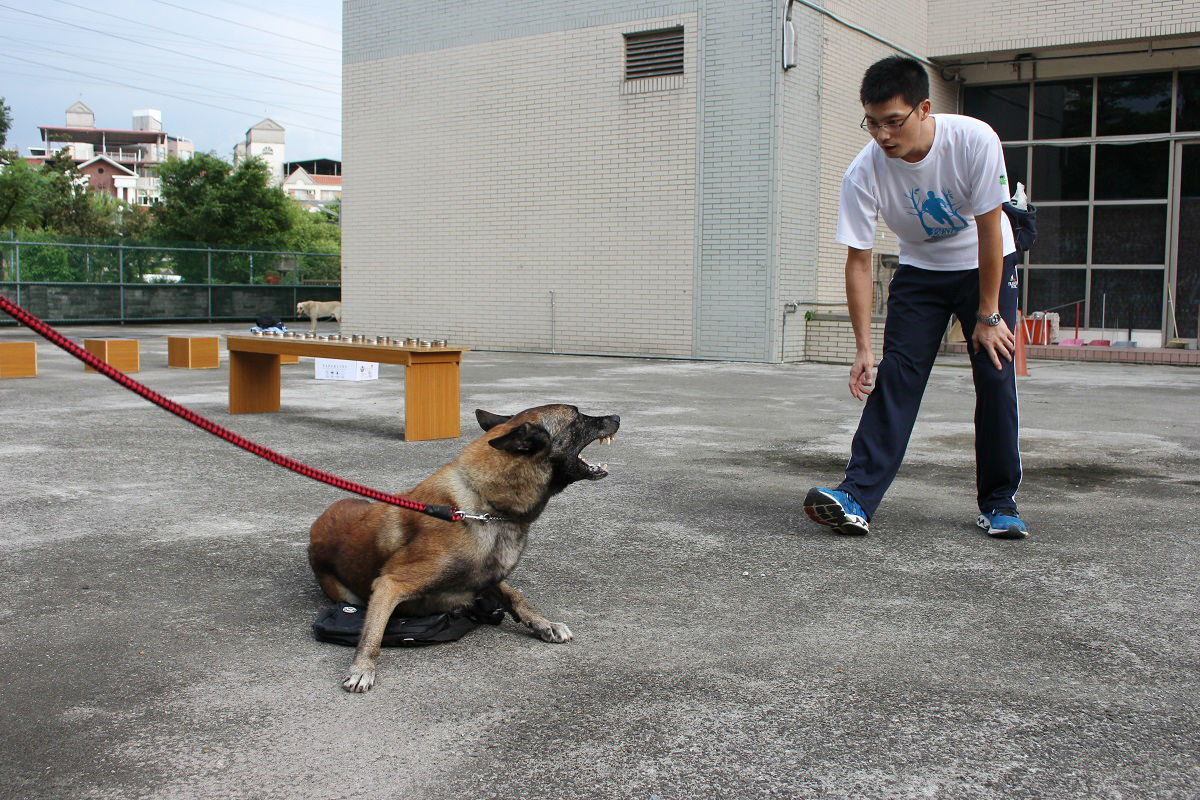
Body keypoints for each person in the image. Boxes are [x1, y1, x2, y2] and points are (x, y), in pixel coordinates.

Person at [803, 55, 1027, 539]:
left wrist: (989, 314)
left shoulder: (974, 140)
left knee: (994, 374)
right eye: (872, 123)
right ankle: (856, 496)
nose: (883, 135)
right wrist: (863, 348)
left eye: (893, 121)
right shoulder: (863, 172)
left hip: (985, 264)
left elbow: (991, 229)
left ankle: (999, 502)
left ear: (924, 108)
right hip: (920, 271)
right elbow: (858, 261)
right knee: (897, 375)